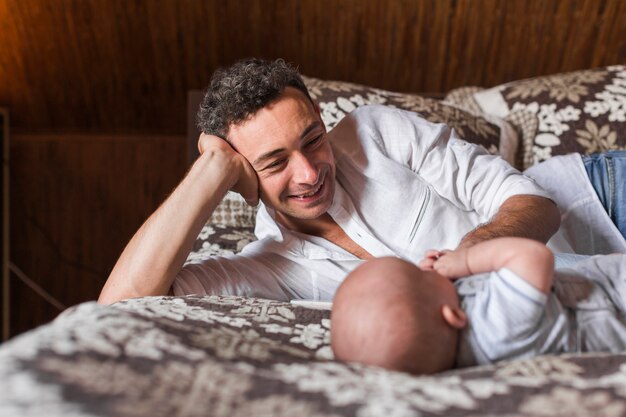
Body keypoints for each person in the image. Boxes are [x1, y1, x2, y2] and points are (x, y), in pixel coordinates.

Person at [100, 56, 607, 305]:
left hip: (599, 193)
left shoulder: (376, 131)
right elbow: (121, 305)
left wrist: (468, 256)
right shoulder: (271, 267)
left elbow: (536, 204)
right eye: (274, 163)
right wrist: (210, 171)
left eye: (312, 139)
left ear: (321, 118)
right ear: (241, 173)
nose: (309, 172)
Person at [330, 237, 626, 375]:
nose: (427, 270)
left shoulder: (462, 345)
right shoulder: (495, 326)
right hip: (615, 296)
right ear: (454, 316)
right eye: (419, 276)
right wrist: (467, 260)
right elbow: (534, 258)